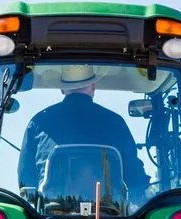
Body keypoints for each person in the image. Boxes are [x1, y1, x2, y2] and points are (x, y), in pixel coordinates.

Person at [17, 64, 149, 209]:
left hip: (50, 216)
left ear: (62, 89)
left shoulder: (38, 123)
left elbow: (26, 181)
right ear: (93, 86)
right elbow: (135, 177)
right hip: (108, 215)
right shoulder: (116, 122)